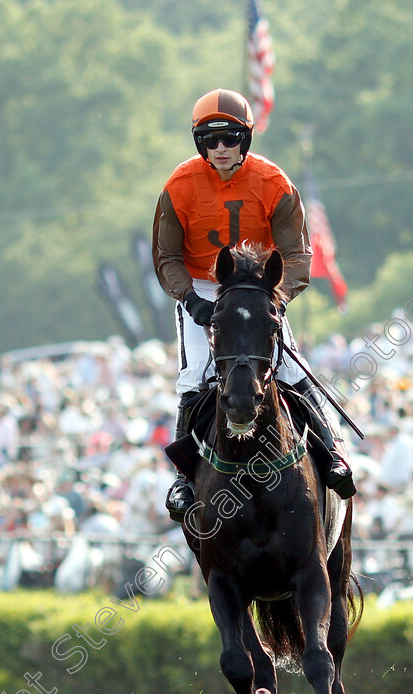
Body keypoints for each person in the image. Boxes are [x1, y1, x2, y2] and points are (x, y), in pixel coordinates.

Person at [152, 88, 355, 520]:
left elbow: (299, 256)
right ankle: (183, 479)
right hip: (204, 288)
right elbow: (167, 258)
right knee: (194, 374)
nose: (220, 148)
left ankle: (332, 454)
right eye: (209, 139)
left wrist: (277, 299)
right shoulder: (179, 185)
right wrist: (190, 300)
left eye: (229, 138)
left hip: (259, 287)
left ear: (245, 138)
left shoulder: (274, 183)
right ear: (198, 142)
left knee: (289, 367)